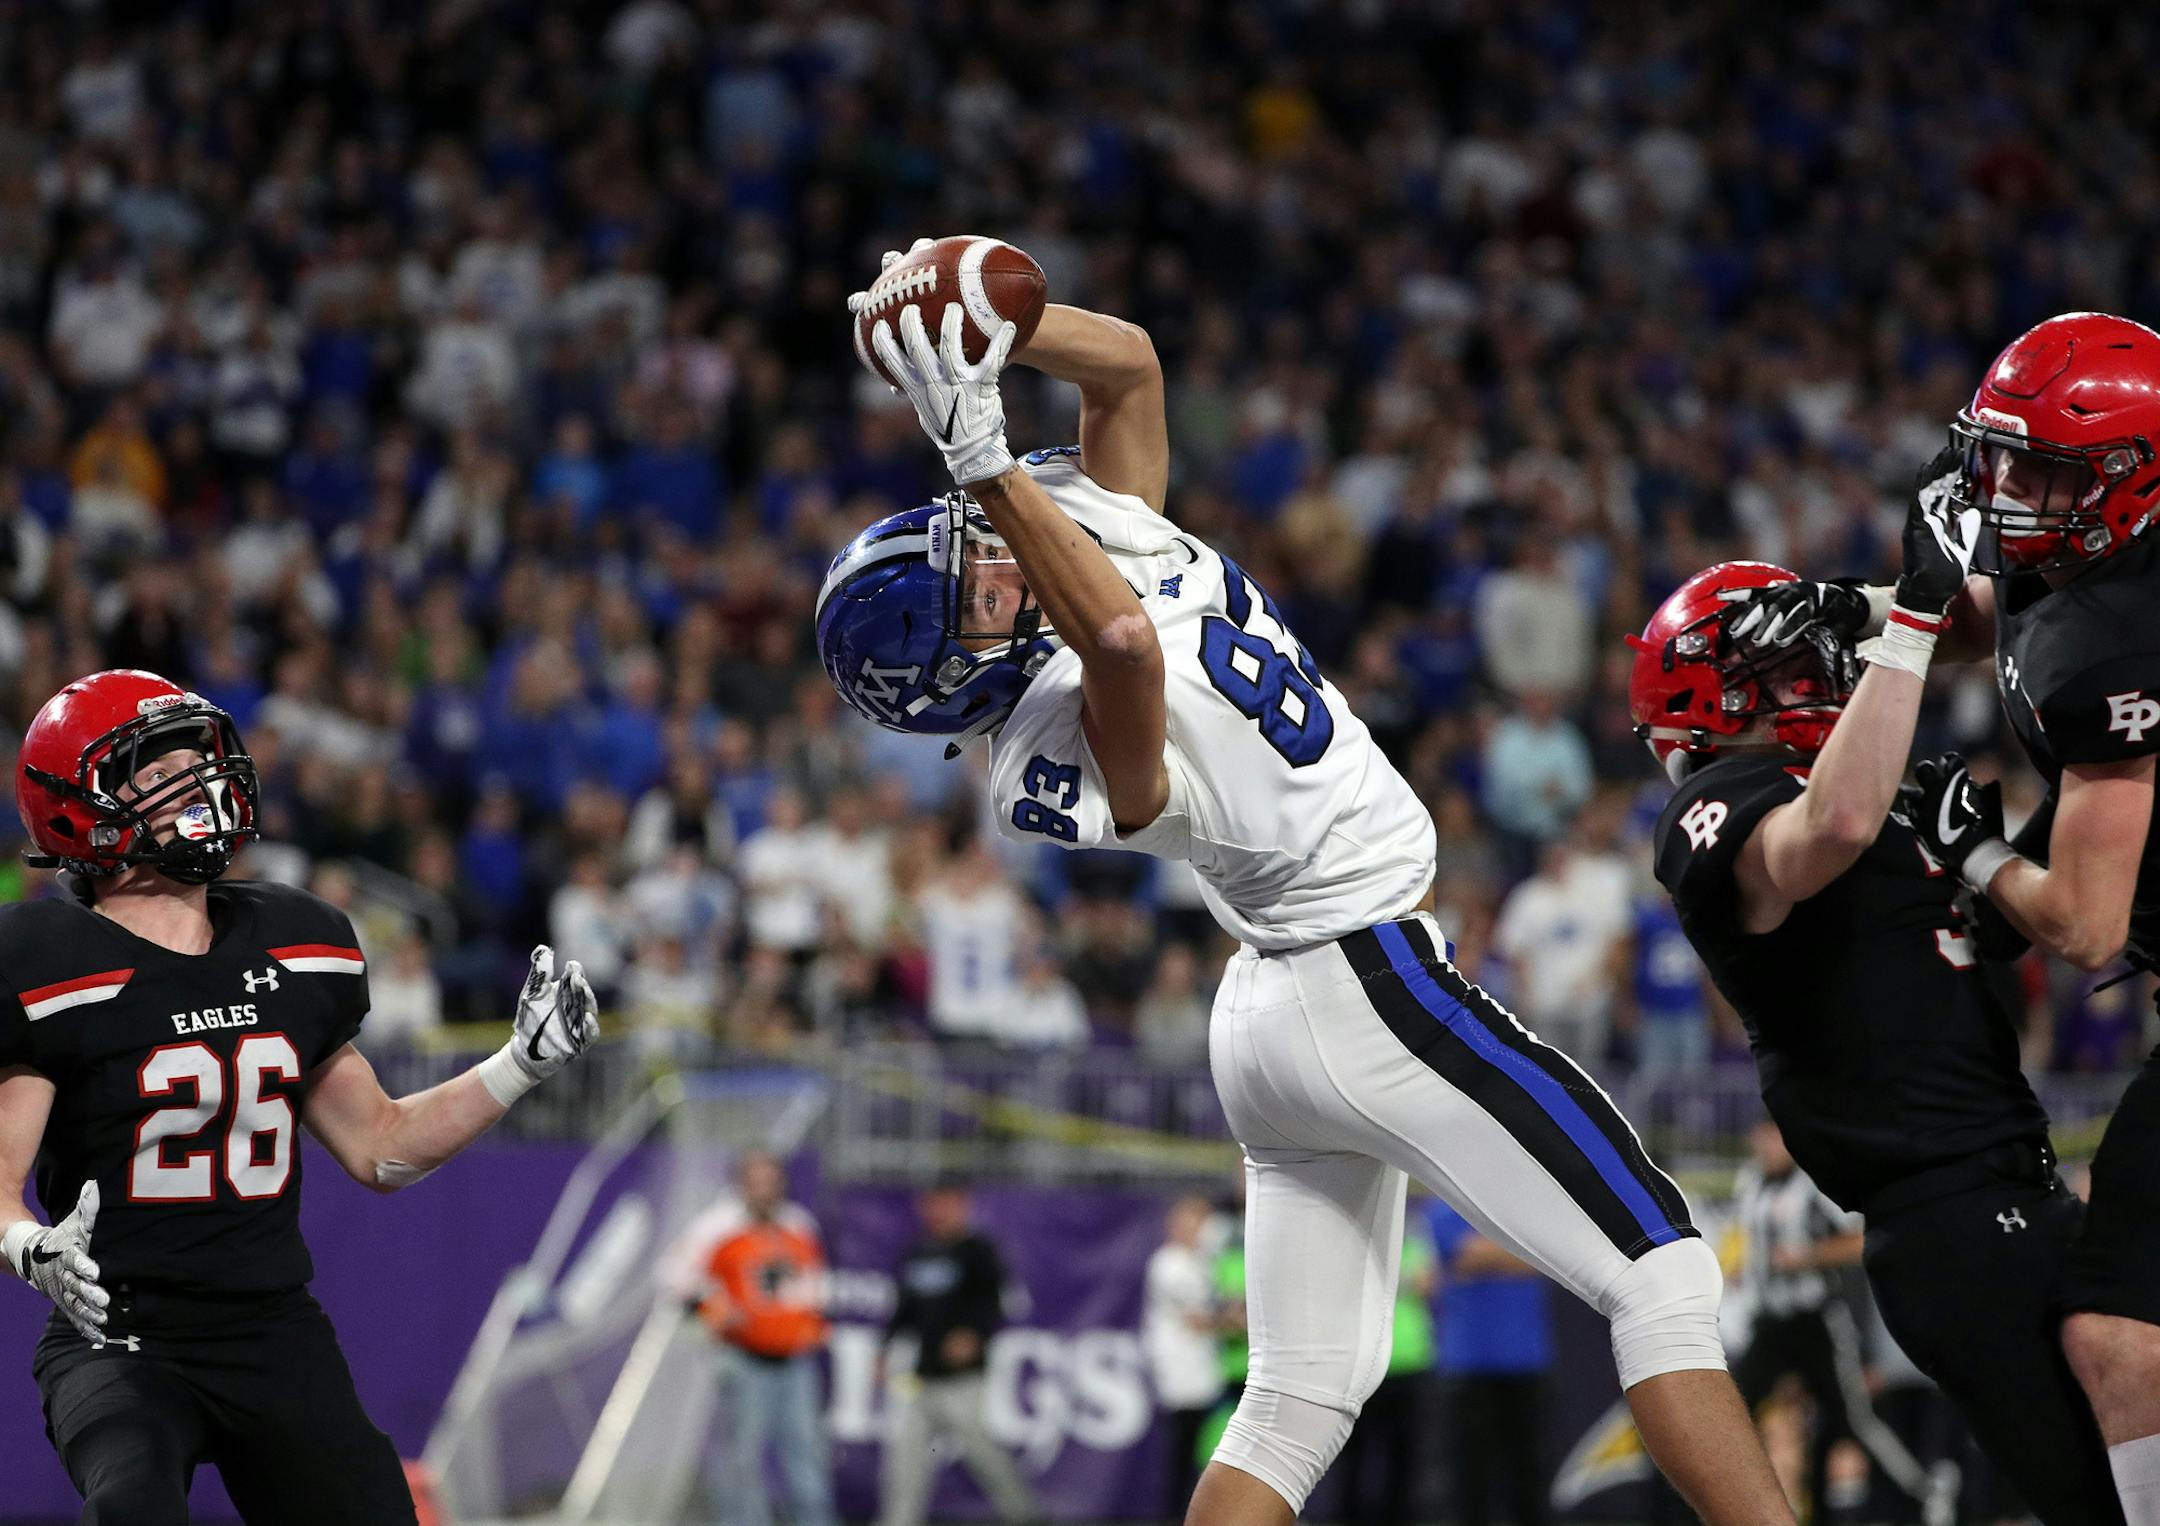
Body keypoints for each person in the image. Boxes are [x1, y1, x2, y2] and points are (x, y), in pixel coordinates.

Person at [819, 249, 1789, 1526]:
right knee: (1662, 1269)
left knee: (1301, 1390)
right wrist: (981, 452)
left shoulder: (1072, 520)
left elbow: (1133, 363)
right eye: (977, 592)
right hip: (1362, 976)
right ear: (960, 679)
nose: (995, 559)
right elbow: (1116, 639)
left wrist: (988, 333)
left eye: (982, 553)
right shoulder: (1034, 749)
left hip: (1277, 1005)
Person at [1735, 311, 2160, 1524]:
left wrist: (1973, 850)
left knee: (2121, 1335)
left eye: (2048, 470)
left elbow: (2081, 922)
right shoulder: (2092, 551)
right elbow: (1998, 614)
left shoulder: (2128, 641)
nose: (2013, 495)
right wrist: (1860, 613)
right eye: (2003, 459)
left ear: (2134, 480)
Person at [1, 669, 600, 1525]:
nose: (197, 783)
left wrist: (518, 1065)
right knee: (131, 1507)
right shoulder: (46, 958)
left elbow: (381, 1147)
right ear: (77, 809)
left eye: (195, 758)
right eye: (156, 770)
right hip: (120, 1334)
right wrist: (29, 1248)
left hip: (270, 1328)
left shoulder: (293, 940)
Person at [1632, 524, 2121, 1519]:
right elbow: (1833, 829)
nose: (1810, 674)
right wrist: (1903, 624)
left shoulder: (1879, 797)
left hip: (2014, 1182)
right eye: (1774, 668)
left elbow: (2007, 929)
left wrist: (2055, 786)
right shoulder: (1723, 804)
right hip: (1945, 1214)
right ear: (1709, 702)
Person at [1728, 1120, 1931, 1522]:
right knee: (1730, 1414)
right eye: (1760, 1136)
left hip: (1816, 1321)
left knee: (1852, 1421)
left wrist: (1808, 1256)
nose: (1765, 1146)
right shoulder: (1748, 1182)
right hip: (1770, 1323)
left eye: (1772, 1136)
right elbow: (1750, 1244)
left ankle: (1921, 1497)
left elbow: (1861, 1240)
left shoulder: (1814, 1185)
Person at [668, 1151, 836, 1526]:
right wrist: (711, 1309)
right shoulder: (717, 1225)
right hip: (743, 1357)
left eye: (770, 1181)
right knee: (739, 1459)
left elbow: (812, 1279)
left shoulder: (797, 1222)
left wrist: (813, 1318)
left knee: (806, 1453)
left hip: (794, 1358)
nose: (763, 1190)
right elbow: (673, 1275)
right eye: (754, 1181)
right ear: (740, 1185)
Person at [879, 1182, 1039, 1526]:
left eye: (948, 1203)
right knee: (905, 1460)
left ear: (963, 1205)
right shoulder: (918, 1251)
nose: (940, 1211)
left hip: (963, 1380)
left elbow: (995, 1303)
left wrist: (974, 1335)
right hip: (921, 1378)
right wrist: (883, 1348)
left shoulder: (978, 1251)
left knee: (985, 1456)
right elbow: (904, 1310)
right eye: (933, 1203)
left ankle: (1026, 1517)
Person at [1428, 1197, 1556, 1526]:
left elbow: (1547, 1259)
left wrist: (1493, 1254)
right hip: (1467, 1363)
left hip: (1526, 1360)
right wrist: (1519, 1251)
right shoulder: (1444, 1206)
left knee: (1529, 1471)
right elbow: (1468, 1255)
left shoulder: (1526, 1209)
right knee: (1469, 1476)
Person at [1331, 1215, 1436, 1526]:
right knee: (1354, 1453)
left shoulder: (1415, 1240)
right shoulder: (1352, 1242)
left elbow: (1428, 1284)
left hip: (1408, 1364)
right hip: (1362, 1364)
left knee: (1404, 1453)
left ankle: (1399, 1518)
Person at [1143, 1195, 1224, 1522]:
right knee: (1182, 1457)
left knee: (1203, 1456)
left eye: (1200, 1222)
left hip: (1203, 1373)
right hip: (1179, 1377)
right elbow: (1199, 1319)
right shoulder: (1168, 1264)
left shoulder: (1202, 1261)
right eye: (1188, 1221)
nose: (1195, 1229)